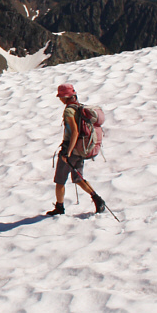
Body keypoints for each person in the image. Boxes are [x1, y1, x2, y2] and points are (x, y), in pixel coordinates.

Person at [47, 83, 107, 216]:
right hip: (81, 148)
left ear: (65, 97)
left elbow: (74, 132)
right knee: (78, 177)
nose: (60, 99)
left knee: (60, 180)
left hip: (71, 149)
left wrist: (67, 152)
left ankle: (59, 208)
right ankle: (97, 199)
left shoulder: (69, 110)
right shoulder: (79, 107)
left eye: (61, 97)